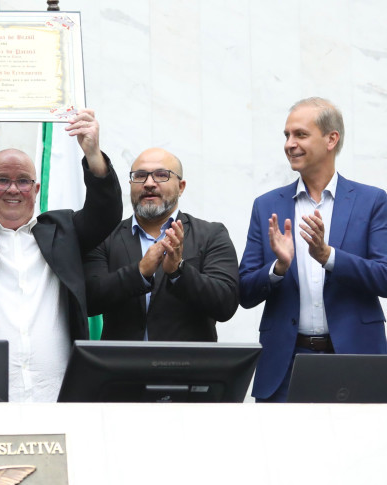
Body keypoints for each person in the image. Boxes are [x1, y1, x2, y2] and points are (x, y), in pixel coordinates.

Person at [0, 110, 123, 402]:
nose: (13, 189)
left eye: (23, 181)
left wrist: (92, 153)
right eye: (2, 180)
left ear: (36, 189)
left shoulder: (62, 231)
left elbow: (106, 214)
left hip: (59, 396)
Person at [239, 97, 387, 402]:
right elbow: (244, 291)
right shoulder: (267, 205)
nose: (290, 144)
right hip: (286, 363)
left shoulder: (372, 201)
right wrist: (277, 269)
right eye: (286, 136)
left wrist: (328, 257)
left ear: (331, 139)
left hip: (356, 358)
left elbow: (384, 276)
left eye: (300, 135)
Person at [84, 147, 238, 341]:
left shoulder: (211, 235)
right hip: (122, 368)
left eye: (161, 175)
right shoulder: (105, 237)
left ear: (181, 187)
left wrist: (178, 271)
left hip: (187, 368)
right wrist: (139, 272)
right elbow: (89, 300)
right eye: (140, 176)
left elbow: (226, 305)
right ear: (130, 184)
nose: (149, 183)